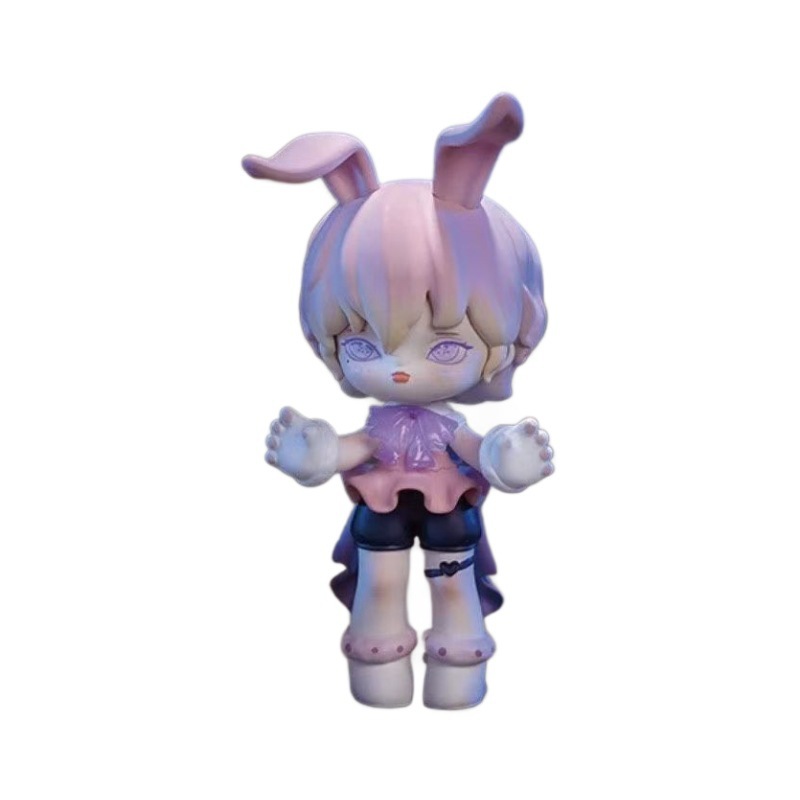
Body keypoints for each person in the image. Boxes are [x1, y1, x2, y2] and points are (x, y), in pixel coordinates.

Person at [243, 93, 554, 709]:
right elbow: (355, 448)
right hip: (380, 512)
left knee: (454, 586)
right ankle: (376, 661)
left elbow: (476, 449)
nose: (399, 371)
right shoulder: (381, 423)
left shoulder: (446, 424)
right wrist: (319, 454)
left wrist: (504, 459)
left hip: (449, 511)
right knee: (378, 588)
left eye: (443, 347)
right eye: (362, 346)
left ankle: (459, 661)